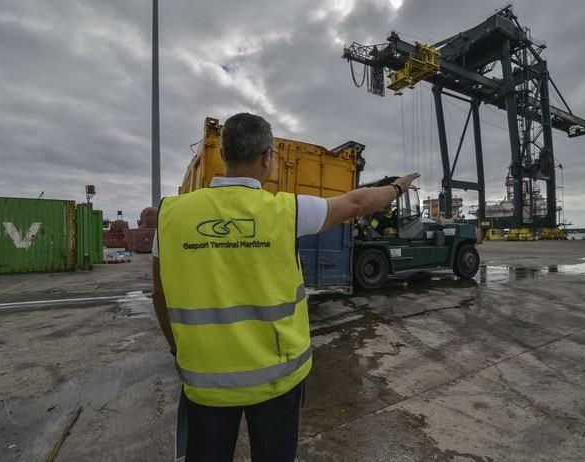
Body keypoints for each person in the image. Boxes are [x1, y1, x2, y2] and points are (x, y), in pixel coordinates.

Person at [152, 112, 419, 462]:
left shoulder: (171, 214)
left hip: (205, 385)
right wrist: (399, 186)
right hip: (277, 385)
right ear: (266, 158)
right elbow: (357, 202)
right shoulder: (288, 211)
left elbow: (159, 294)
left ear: (223, 154)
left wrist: (178, 351)